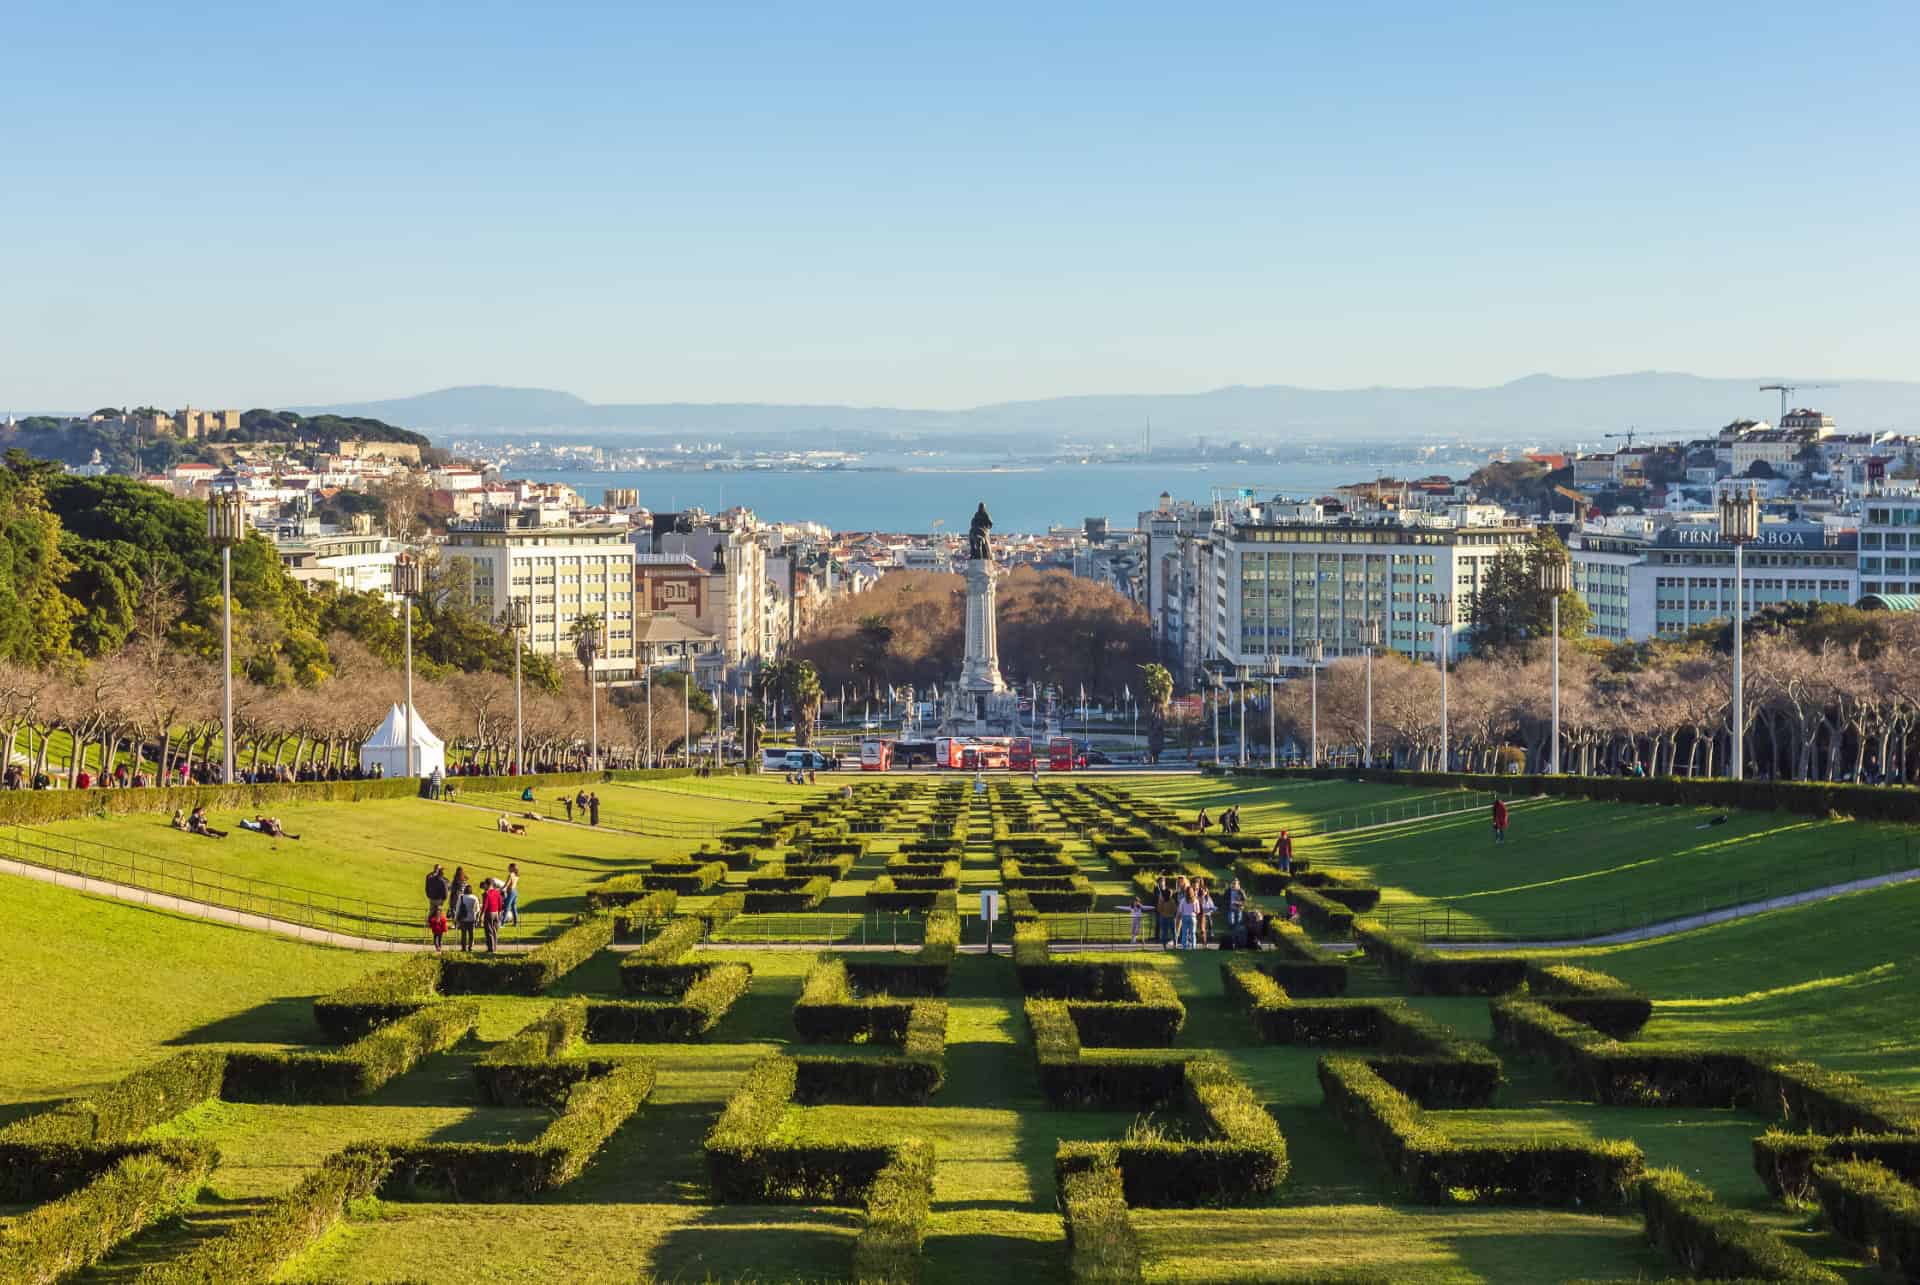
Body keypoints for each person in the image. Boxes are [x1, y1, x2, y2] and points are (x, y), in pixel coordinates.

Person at [454, 881, 481, 952]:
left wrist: (456, 918)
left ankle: (463, 947)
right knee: (471, 933)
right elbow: (478, 909)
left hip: (463, 918)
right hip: (472, 918)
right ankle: (470, 947)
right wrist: (476, 916)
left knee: (463, 934)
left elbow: (457, 908)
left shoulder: (461, 897)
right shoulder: (474, 898)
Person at [481, 878, 505, 952]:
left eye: (485, 884)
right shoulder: (497, 892)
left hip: (489, 913)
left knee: (489, 931)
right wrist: (500, 911)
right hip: (496, 913)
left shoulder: (486, 893)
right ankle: (494, 947)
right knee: (495, 931)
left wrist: (481, 915)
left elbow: (485, 905)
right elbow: (500, 902)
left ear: (487, 884)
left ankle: (491, 948)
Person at [1155, 879, 1175, 948]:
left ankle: (1164, 945)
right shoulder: (1172, 901)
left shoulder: (1162, 901)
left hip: (1163, 917)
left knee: (1164, 932)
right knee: (1173, 931)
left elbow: (1159, 909)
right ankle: (1175, 944)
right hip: (1171, 917)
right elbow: (1174, 909)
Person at [502, 862, 521, 927]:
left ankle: (502, 923)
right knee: (514, 908)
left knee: (506, 907)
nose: (508, 868)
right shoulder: (517, 875)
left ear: (512, 868)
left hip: (510, 892)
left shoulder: (511, 875)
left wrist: (500, 889)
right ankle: (515, 923)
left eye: (509, 867)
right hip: (515, 891)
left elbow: (507, 884)